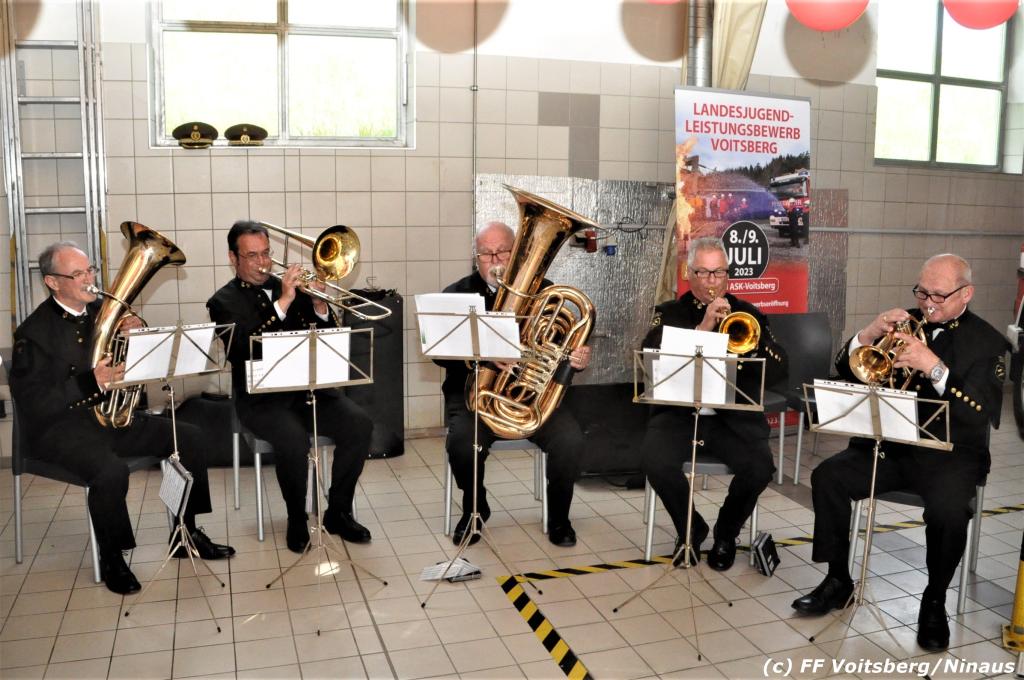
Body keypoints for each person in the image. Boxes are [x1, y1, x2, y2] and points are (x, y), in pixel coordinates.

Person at [792, 254, 1008, 652]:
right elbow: (846, 370)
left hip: (952, 454)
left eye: (939, 295)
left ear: (966, 294)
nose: (928, 303)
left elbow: (982, 411)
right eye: (922, 292)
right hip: (892, 446)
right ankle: (838, 579)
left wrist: (934, 367)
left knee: (948, 511)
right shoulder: (905, 323)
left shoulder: (988, 343)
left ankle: (934, 600)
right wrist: (869, 333)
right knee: (828, 477)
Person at [10, 242, 235, 595]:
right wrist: (91, 382)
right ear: (53, 282)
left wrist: (135, 340)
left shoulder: (103, 312)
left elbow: (129, 371)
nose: (90, 279)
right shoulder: (33, 333)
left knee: (188, 437)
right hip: (60, 431)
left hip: (107, 420)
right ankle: (112, 557)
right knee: (110, 471)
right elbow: (34, 403)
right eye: (78, 274)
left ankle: (186, 533)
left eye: (90, 270)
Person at [207, 221, 373, 553]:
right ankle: (297, 519)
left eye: (266, 253)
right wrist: (283, 302)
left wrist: (320, 306)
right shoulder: (222, 301)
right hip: (260, 400)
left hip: (307, 390)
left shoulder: (291, 287)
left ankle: (338, 512)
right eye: (252, 255)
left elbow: (327, 339)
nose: (262, 262)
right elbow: (242, 350)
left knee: (360, 424)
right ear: (232, 258)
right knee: (294, 440)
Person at [433, 221, 591, 548]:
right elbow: (440, 356)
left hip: (532, 398)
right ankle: (475, 509)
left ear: (517, 253)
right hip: (473, 396)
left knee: (570, 440)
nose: (495, 260)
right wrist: (481, 359)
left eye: (503, 251)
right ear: (476, 258)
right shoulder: (456, 295)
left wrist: (574, 358)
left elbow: (561, 348)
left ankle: (559, 518)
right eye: (486, 254)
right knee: (462, 445)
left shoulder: (545, 292)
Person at [640, 236, 787, 571]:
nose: (712, 281)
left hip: (731, 418)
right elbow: (651, 356)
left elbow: (781, 370)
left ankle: (726, 533)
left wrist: (755, 345)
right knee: (654, 460)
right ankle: (691, 528)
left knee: (759, 468)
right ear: (688, 273)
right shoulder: (669, 312)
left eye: (719, 272)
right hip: (678, 415)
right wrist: (704, 326)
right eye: (703, 273)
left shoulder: (748, 313)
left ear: (728, 275)